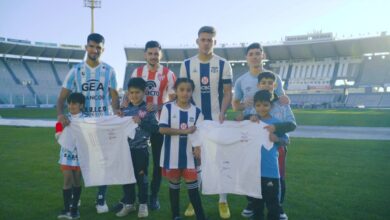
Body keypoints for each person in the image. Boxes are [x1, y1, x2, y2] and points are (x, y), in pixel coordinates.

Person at [56, 33, 120, 214]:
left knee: (102, 163)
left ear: (103, 49)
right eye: (92, 46)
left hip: (102, 123)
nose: (95, 50)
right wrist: (61, 115)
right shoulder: (75, 70)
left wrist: (117, 114)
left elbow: (114, 98)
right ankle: (75, 199)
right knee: (79, 164)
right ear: (86, 47)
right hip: (80, 126)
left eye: (98, 47)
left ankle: (101, 199)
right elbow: (61, 99)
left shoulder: (109, 70)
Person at [180, 26, 232, 219]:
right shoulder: (186, 64)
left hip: (216, 119)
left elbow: (227, 92)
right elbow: (183, 91)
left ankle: (223, 200)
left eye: (210, 40)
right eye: (203, 39)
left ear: (214, 42)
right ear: (197, 41)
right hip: (195, 120)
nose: (206, 42)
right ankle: (195, 201)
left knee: (219, 160)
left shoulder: (223, 63)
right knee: (196, 159)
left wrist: (223, 113)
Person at [124, 40, 176, 210]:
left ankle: (153, 196)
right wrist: (123, 108)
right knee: (134, 160)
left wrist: (159, 106)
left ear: (160, 54)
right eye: (150, 53)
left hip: (159, 124)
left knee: (157, 163)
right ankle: (130, 198)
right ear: (145, 55)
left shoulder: (168, 74)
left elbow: (174, 99)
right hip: (138, 124)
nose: (153, 56)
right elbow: (129, 93)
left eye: (156, 53)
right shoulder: (137, 72)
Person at [245, 72, 297, 220]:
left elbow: (292, 126)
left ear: (274, 85)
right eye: (264, 82)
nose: (267, 85)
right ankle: (253, 206)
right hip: (255, 163)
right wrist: (249, 116)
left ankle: (278, 208)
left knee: (277, 183)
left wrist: (276, 129)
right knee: (257, 199)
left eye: (270, 82)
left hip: (273, 157)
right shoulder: (253, 104)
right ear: (258, 85)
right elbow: (243, 121)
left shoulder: (282, 103)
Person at [159, 78, 207, 220]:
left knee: (193, 188)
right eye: (182, 89)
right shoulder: (168, 108)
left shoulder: (197, 111)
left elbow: (200, 132)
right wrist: (184, 131)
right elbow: (162, 129)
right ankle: (176, 215)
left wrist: (198, 147)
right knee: (174, 185)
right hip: (171, 155)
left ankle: (201, 216)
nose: (185, 93)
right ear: (176, 91)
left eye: (188, 90)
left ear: (192, 92)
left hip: (190, 156)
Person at [113, 78, 159, 218]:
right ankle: (129, 204)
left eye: (137, 92)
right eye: (131, 92)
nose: (134, 95)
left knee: (141, 178)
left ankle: (143, 204)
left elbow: (155, 129)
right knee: (126, 177)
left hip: (140, 150)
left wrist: (142, 122)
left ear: (144, 92)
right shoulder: (124, 110)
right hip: (125, 150)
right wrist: (119, 114)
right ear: (128, 93)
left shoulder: (147, 109)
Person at [232, 42, 288, 121]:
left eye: (257, 54)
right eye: (251, 54)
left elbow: (282, 101)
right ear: (246, 57)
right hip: (250, 122)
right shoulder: (240, 81)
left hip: (271, 123)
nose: (254, 57)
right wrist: (244, 105)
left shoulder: (275, 78)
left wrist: (285, 99)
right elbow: (235, 106)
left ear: (263, 56)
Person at [55, 93, 87, 219]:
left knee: (76, 180)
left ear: (81, 105)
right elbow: (57, 132)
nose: (71, 105)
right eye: (69, 103)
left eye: (74, 103)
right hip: (66, 154)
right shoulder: (64, 118)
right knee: (67, 179)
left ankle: (74, 209)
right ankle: (66, 208)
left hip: (80, 155)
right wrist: (61, 127)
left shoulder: (86, 119)